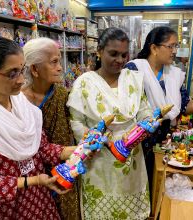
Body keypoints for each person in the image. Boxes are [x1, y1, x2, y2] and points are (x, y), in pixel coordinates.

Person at [0, 35, 78, 219]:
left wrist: (77, 150)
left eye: (22, 70)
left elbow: (41, 149)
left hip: (35, 202)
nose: (21, 80)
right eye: (12, 73)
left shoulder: (20, 103)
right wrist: (34, 180)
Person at [67, 27, 152, 219]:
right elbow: (77, 123)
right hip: (98, 157)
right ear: (99, 51)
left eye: (124, 55)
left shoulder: (133, 79)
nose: (120, 60)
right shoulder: (84, 83)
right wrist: (102, 141)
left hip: (131, 155)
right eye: (113, 54)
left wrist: (146, 125)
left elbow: (144, 110)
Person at [125, 26, 193, 187]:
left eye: (176, 46)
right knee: (136, 182)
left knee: (155, 182)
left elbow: (184, 106)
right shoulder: (135, 69)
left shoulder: (173, 74)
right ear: (154, 48)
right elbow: (127, 107)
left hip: (162, 141)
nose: (174, 51)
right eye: (170, 46)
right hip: (138, 140)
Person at [22, 37, 81, 220]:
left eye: (59, 60)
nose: (60, 67)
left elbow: (70, 128)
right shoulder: (19, 101)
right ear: (34, 69)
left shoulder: (62, 94)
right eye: (54, 62)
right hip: (32, 175)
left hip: (64, 169)